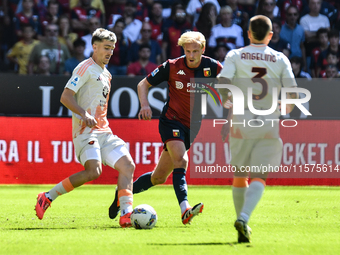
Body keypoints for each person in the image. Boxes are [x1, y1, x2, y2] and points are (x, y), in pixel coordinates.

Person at [109, 31, 223, 225]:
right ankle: (185, 208)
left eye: (195, 51)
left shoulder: (213, 67)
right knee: (181, 159)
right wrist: (144, 105)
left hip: (192, 126)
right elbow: (142, 84)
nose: (192, 56)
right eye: (188, 51)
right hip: (171, 121)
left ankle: (121, 194)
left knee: (158, 177)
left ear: (203, 49)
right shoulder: (171, 66)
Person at [35, 28, 135, 228]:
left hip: (104, 131)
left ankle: (126, 215)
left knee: (128, 166)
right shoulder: (84, 67)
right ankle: (46, 196)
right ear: (94, 47)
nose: (109, 52)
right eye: (106, 48)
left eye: (112, 49)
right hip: (85, 131)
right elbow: (65, 96)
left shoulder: (106, 74)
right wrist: (84, 113)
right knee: (93, 171)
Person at [217, 15, 298, 243]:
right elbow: (292, 94)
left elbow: (223, 82)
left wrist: (228, 103)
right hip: (267, 120)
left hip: (241, 119)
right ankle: (243, 218)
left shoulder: (235, 55)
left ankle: (241, 222)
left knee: (240, 174)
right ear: (271, 35)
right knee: (260, 174)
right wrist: (285, 108)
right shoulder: (280, 58)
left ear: (249, 33)